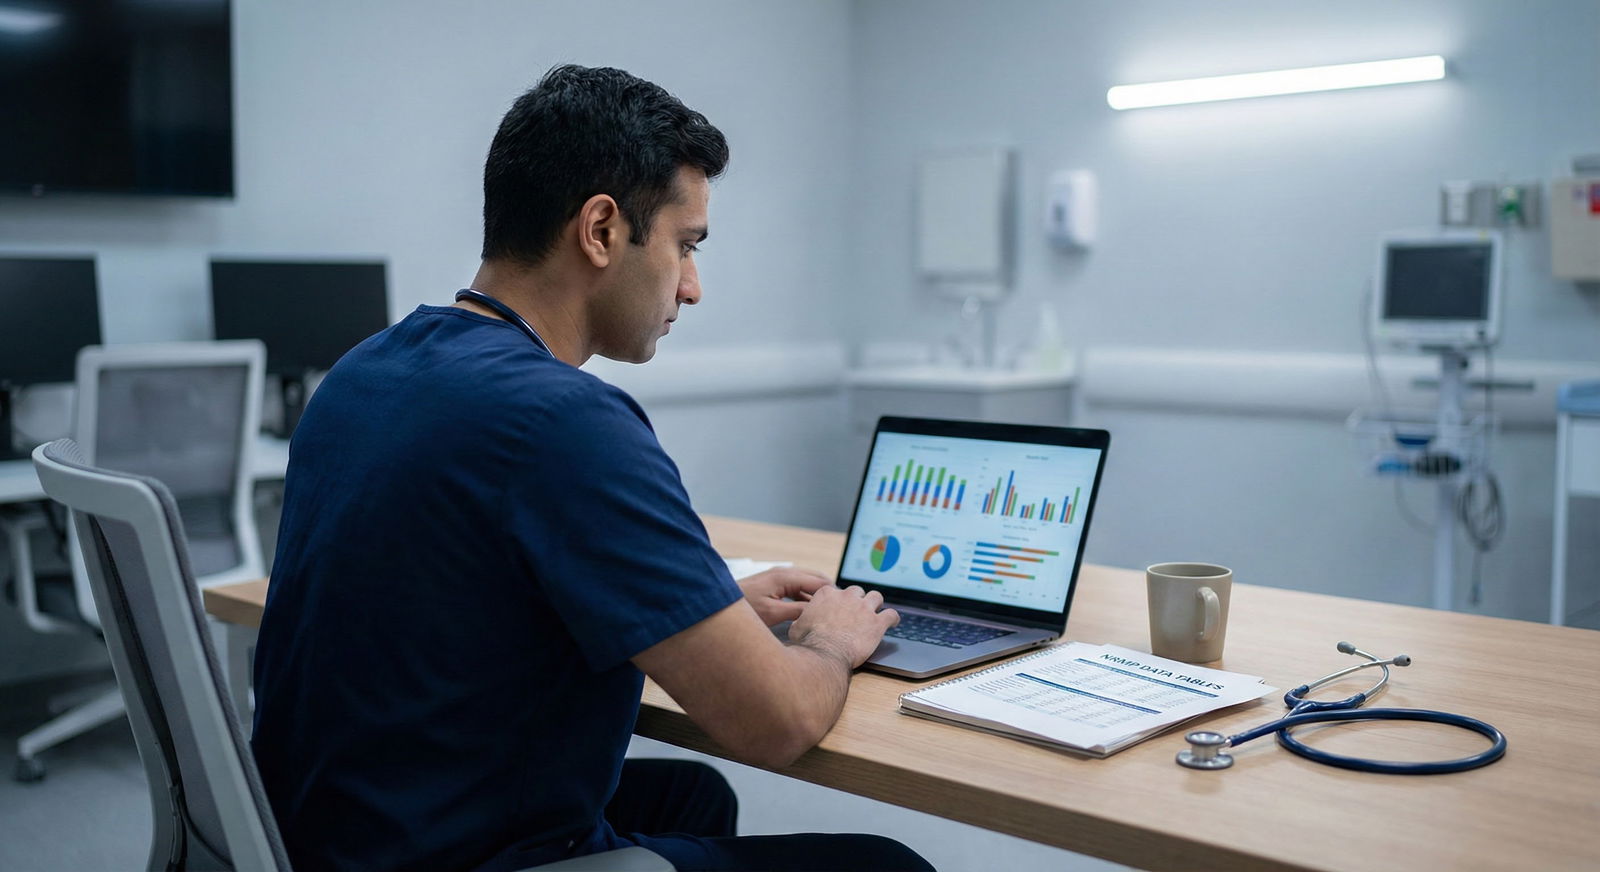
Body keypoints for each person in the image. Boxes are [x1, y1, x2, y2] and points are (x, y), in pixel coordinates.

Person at [250, 64, 934, 872]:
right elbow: (774, 724)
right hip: (445, 855)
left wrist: (704, 609)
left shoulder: (367, 371)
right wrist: (826, 643)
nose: (693, 286)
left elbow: (456, 597)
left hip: (328, 831)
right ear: (602, 229)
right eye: (685, 245)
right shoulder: (564, 421)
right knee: (888, 865)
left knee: (693, 799)